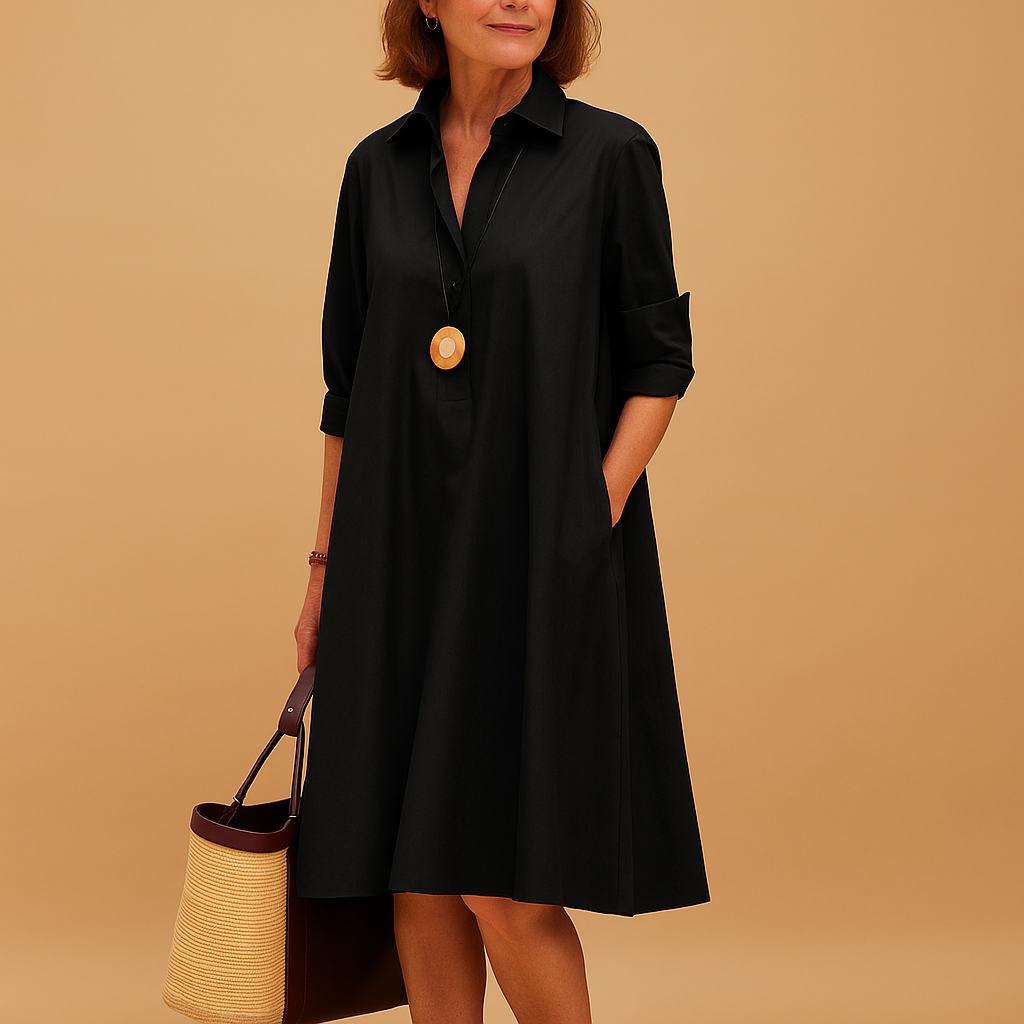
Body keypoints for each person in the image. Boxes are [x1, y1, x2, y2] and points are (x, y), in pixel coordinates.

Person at [292, 1, 710, 1021]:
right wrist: (322, 574)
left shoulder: (610, 156)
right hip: (393, 560)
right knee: (419, 879)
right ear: (428, 5)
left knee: (504, 887)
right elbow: (347, 393)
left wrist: (586, 518)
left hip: (534, 559)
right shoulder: (375, 169)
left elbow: (659, 362)